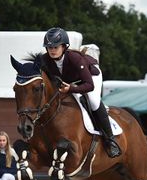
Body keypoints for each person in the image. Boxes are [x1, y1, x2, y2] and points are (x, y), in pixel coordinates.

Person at [39, 27, 121, 158]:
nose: (52, 50)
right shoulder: (44, 60)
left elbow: (89, 85)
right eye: (49, 48)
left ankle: (111, 140)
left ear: (64, 47)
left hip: (90, 77)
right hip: (69, 82)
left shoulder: (74, 58)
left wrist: (71, 89)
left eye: (55, 47)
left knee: (93, 101)